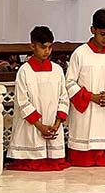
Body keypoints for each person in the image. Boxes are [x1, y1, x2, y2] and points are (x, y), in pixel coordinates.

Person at [65, 9, 105, 167]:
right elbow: (69, 83)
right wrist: (92, 97)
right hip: (87, 110)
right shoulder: (80, 53)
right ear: (93, 30)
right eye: (103, 34)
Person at [7, 26, 70, 171]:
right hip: (33, 126)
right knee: (32, 163)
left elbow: (63, 97)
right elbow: (23, 102)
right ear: (32, 46)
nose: (47, 51)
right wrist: (40, 126)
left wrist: (57, 123)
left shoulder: (57, 70)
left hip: (53, 125)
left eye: (49, 47)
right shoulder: (25, 71)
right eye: (43, 47)